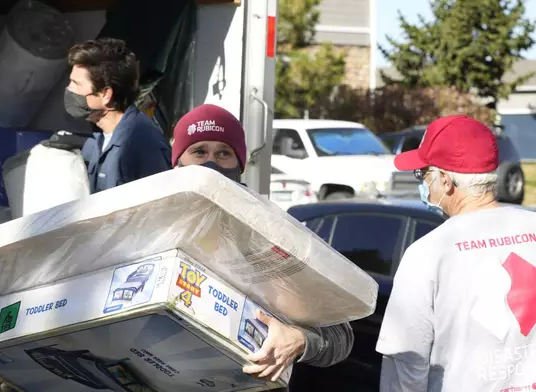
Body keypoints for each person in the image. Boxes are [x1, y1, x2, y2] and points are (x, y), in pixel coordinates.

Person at [172, 104, 354, 386]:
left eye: (223, 153)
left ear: (240, 165)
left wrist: (300, 340)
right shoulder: (153, 220)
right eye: (199, 152)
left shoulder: (273, 232)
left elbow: (341, 336)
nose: (211, 164)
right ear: (177, 162)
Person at [376, 115, 536, 391]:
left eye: (423, 174)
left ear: (446, 181)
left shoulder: (428, 253)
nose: (423, 183)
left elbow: (406, 363)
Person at [64, 37, 171, 192]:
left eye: (77, 84)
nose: (69, 89)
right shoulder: (96, 138)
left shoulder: (143, 145)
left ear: (106, 94)